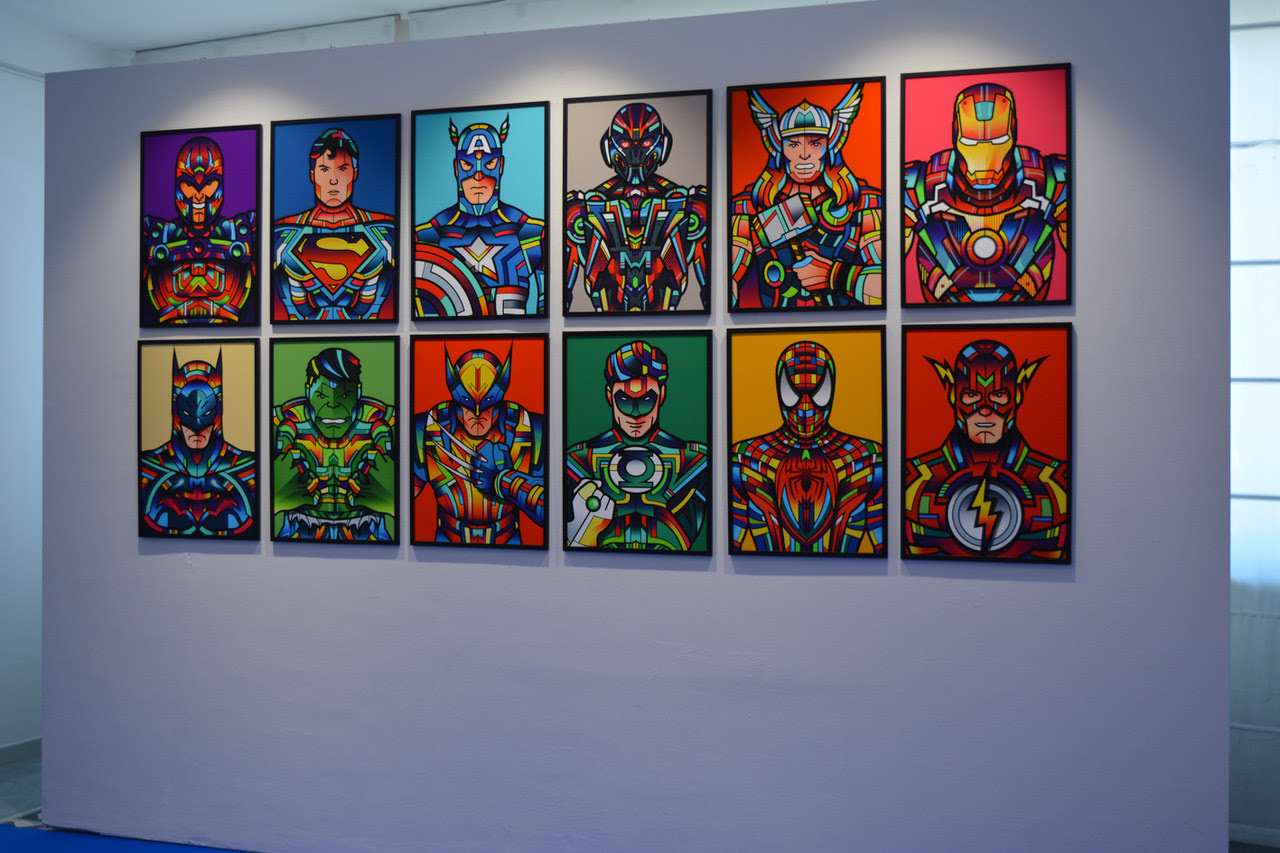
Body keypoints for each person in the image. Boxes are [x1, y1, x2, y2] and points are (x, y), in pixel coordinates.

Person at [903, 82, 1069, 303]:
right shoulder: (917, 185)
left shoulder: (1052, 180)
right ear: (956, 132)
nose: (985, 152)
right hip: (942, 302)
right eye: (971, 140)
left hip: (1027, 299)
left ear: (1013, 130)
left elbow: (1088, 262)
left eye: (998, 139)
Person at [903, 340, 1069, 559]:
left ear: (1018, 393)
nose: (984, 409)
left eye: (998, 396)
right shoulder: (916, 480)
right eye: (971, 396)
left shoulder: (1054, 482)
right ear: (952, 393)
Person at [729, 85, 882, 309]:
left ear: (830, 146)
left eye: (815, 143)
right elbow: (725, 284)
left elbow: (887, 288)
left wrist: (835, 275)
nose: (803, 154)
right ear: (779, 149)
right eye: (793, 144)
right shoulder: (749, 209)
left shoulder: (862, 206)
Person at [730, 341, 884, 553]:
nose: (805, 406)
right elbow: (732, 538)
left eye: (818, 393)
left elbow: (883, 539)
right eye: (792, 393)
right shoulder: (745, 457)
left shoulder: (867, 457)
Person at [565, 103, 708, 313]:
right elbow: (562, 295)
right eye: (625, 143)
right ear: (610, 146)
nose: (634, 153)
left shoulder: (689, 205)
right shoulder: (583, 208)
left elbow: (711, 292)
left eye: (646, 142)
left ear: (662, 145)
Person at [566, 341, 709, 550]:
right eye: (624, 399)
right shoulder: (578, 462)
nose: (635, 413)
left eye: (646, 399)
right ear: (609, 396)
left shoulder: (696, 462)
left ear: (661, 394)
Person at [413, 347, 546, 545]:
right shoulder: (426, 427)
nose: (476, 416)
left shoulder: (531, 428)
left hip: (510, 543)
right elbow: (401, 497)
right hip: (444, 543)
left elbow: (557, 509)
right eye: (467, 407)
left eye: (487, 408)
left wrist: (505, 480)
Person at [414, 118, 545, 317]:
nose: (478, 174)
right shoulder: (427, 237)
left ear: (500, 165)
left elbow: (548, 309)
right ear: (456, 168)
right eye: (467, 165)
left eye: (489, 163)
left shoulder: (532, 234)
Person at [273, 128, 397, 321]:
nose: (333, 180)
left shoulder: (385, 228)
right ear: (312, 174)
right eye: (324, 169)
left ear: (354, 173)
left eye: (342, 169)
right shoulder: (282, 231)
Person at [273, 347, 394, 541]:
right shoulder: (284, 422)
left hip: (368, 531)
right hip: (298, 530)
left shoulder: (382, 422)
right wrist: (277, 493)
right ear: (308, 391)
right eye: (322, 396)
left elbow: (403, 500)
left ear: (358, 392)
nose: (333, 404)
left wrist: (389, 494)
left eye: (344, 396)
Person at [142, 136, 257, 324]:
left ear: (220, 186)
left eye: (208, 185)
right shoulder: (157, 233)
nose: (198, 197)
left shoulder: (241, 229)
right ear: (177, 186)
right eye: (189, 185)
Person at [140, 353, 256, 537]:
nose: (196, 427)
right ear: (176, 412)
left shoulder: (242, 464)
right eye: (187, 414)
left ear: (217, 413)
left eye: (206, 414)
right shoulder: (153, 464)